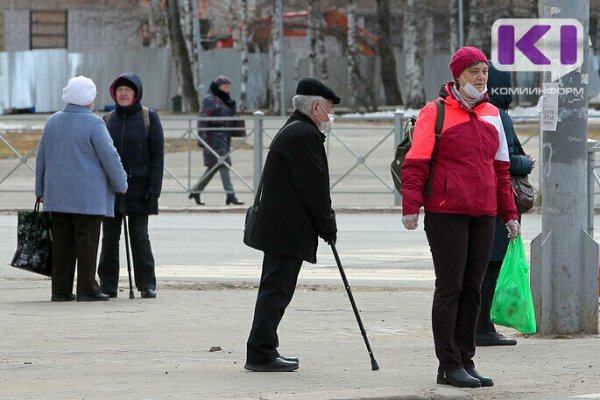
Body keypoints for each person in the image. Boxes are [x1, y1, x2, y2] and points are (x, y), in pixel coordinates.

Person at [401, 47, 520, 388]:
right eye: (474, 72)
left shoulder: (492, 114)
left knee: (474, 288)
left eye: (483, 71)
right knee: (450, 287)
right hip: (445, 213)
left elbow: (501, 171)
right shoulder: (434, 113)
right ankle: (448, 363)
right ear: (458, 76)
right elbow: (416, 163)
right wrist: (411, 205)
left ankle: (466, 359)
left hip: (484, 214)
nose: (481, 77)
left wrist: (509, 215)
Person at [244, 77, 338, 372]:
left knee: (275, 289)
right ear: (314, 107)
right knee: (276, 290)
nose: (331, 115)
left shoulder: (295, 129)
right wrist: (328, 226)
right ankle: (260, 352)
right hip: (286, 229)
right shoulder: (303, 135)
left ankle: (263, 348)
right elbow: (314, 188)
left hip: (281, 227)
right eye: (329, 108)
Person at [35, 75, 128, 302]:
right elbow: (109, 157)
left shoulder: (53, 121)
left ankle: (61, 290)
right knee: (87, 242)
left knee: (62, 245)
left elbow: (41, 158)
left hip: (57, 196)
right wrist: (121, 183)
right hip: (88, 197)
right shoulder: (94, 123)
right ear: (87, 97)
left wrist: (40, 189)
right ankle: (88, 289)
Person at [475, 63, 535, 347]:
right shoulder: (498, 115)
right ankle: (483, 327)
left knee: (480, 266)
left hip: (479, 198)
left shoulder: (477, 110)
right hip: (499, 200)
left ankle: (477, 326)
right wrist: (528, 162)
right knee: (491, 266)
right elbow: (505, 160)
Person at [98, 73, 164, 299]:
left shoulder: (148, 118)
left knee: (140, 237)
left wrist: (154, 190)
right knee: (109, 239)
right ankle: (108, 285)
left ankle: (146, 283)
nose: (123, 94)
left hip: (140, 189)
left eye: (127, 90)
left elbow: (157, 156)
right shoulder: (107, 120)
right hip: (112, 189)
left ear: (136, 93)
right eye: (119, 90)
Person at [188, 75, 244, 206]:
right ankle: (231, 195)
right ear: (217, 87)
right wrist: (202, 141)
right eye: (224, 86)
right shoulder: (209, 99)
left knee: (214, 166)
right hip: (212, 139)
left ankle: (196, 190)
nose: (226, 89)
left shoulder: (225, 100)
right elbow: (202, 120)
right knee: (223, 164)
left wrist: (232, 106)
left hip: (224, 140)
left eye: (228, 87)